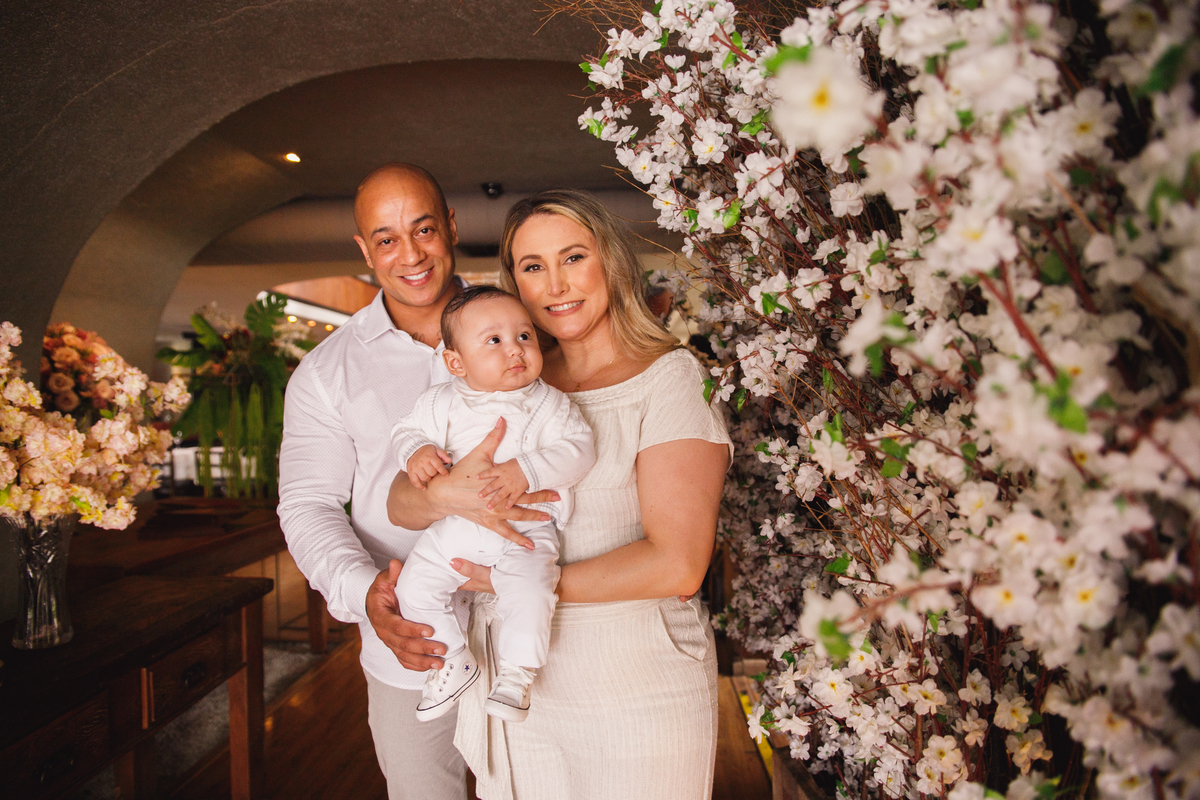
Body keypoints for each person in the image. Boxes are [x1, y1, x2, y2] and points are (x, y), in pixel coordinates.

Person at [387, 189, 732, 799]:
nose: (555, 284)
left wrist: (511, 583)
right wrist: (451, 495)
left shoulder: (669, 378)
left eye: (573, 258)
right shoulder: (508, 378)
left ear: (611, 264)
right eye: (532, 266)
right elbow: (399, 501)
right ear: (513, 283)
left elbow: (678, 564)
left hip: (634, 683)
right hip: (515, 688)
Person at [277, 163, 555, 800]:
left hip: (537, 624)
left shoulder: (520, 328)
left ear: (451, 226)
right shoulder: (327, 372)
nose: (410, 254)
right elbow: (308, 503)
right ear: (363, 249)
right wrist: (363, 590)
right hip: (413, 641)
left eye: (424, 229)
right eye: (386, 238)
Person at [391, 285, 595, 723]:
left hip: (526, 528)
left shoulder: (549, 403)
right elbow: (405, 432)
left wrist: (526, 471)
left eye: (524, 336)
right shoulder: (439, 402)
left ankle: (518, 674)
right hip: (455, 528)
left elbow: (580, 449)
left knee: (530, 590)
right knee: (413, 586)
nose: (515, 350)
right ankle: (453, 659)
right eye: (494, 341)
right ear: (456, 362)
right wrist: (416, 453)